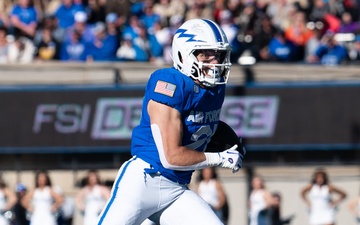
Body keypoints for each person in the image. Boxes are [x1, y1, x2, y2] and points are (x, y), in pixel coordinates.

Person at [96, 18, 244, 225]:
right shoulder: (168, 82)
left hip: (176, 189)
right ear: (184, 54)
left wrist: (219, 135)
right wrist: (219, 158)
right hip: (143, 182)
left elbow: (196, 125)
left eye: (218, 54)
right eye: (206, 53)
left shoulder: (215, 89)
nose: (214, 61)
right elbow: (171, 156)